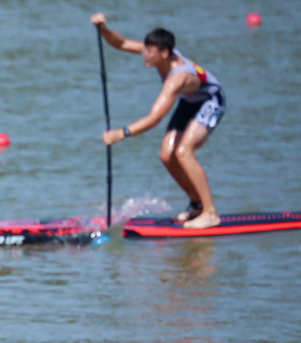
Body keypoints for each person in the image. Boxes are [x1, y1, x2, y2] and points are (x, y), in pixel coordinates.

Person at [92, 13, 227, 229]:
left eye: (149, 52)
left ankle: (211, 213)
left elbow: (155, 118)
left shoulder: (177, 78)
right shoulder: (159, 53)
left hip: (211, 101)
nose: (144, 55)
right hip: (190, 101)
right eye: (144, 49)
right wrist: (102, 28)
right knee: (166, 155)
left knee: (184, 152)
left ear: (164, 53)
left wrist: (122, 133)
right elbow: (122, 43)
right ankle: (197, 205)